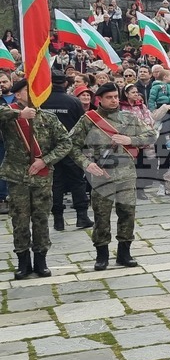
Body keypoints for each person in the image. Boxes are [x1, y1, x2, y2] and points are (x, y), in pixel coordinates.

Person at [69, 84, 157, 271]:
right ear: (99, 99)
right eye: (109, 97)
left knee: (127, 214)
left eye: (116, 96)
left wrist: (131, 140)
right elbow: (71, 145)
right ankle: (102, 255)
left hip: (126, 174)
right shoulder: (89, 120)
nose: (114, 100)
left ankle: (124, 253)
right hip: (102, 175)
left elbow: (151, 135)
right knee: (101, 216)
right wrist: (86, 164)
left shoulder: (129, 117)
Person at [0, 80, 73, 279]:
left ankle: (41, 260)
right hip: (17, 177)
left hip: (42, 177)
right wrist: (18, 114)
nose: (32, 94)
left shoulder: (48, 117)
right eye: (26, 91)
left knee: (41, 219)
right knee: (20, 220)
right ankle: (23, 262)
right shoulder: (10, 115)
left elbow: (65, 143)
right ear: (17, 95)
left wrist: (45, 161)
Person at [41, 71, 93, 231]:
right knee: (77, 181)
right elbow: (82, 125)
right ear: (65, 83)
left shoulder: (42, 102)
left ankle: (58, 220)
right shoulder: (73, 102)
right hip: (71, 148)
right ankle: (82, 216)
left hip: (51, 149)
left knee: (56, 183)